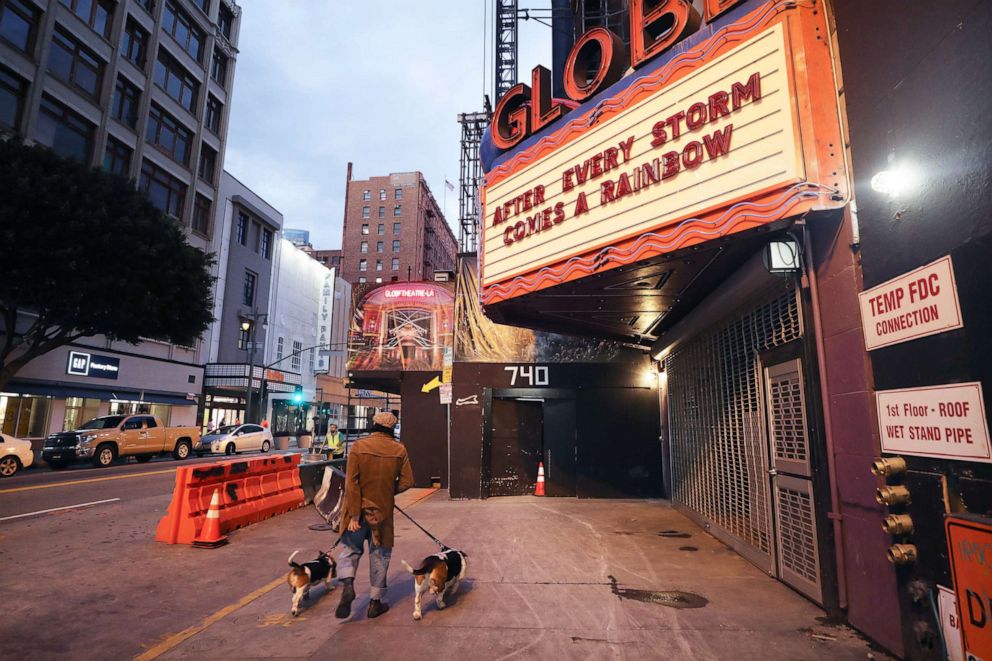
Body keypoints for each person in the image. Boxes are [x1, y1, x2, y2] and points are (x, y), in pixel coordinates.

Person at [335, 412, 414, 619]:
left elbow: (351, 483)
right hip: (382, 512)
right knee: (380, 555)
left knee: (350, 550)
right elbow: (407, 481)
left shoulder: (359, 447)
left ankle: (348, 583)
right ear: (392, 429)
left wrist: (353, 515)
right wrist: (387, 492)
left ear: (374, 425)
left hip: (357, 513)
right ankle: (375, 603)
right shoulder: (399, 449)